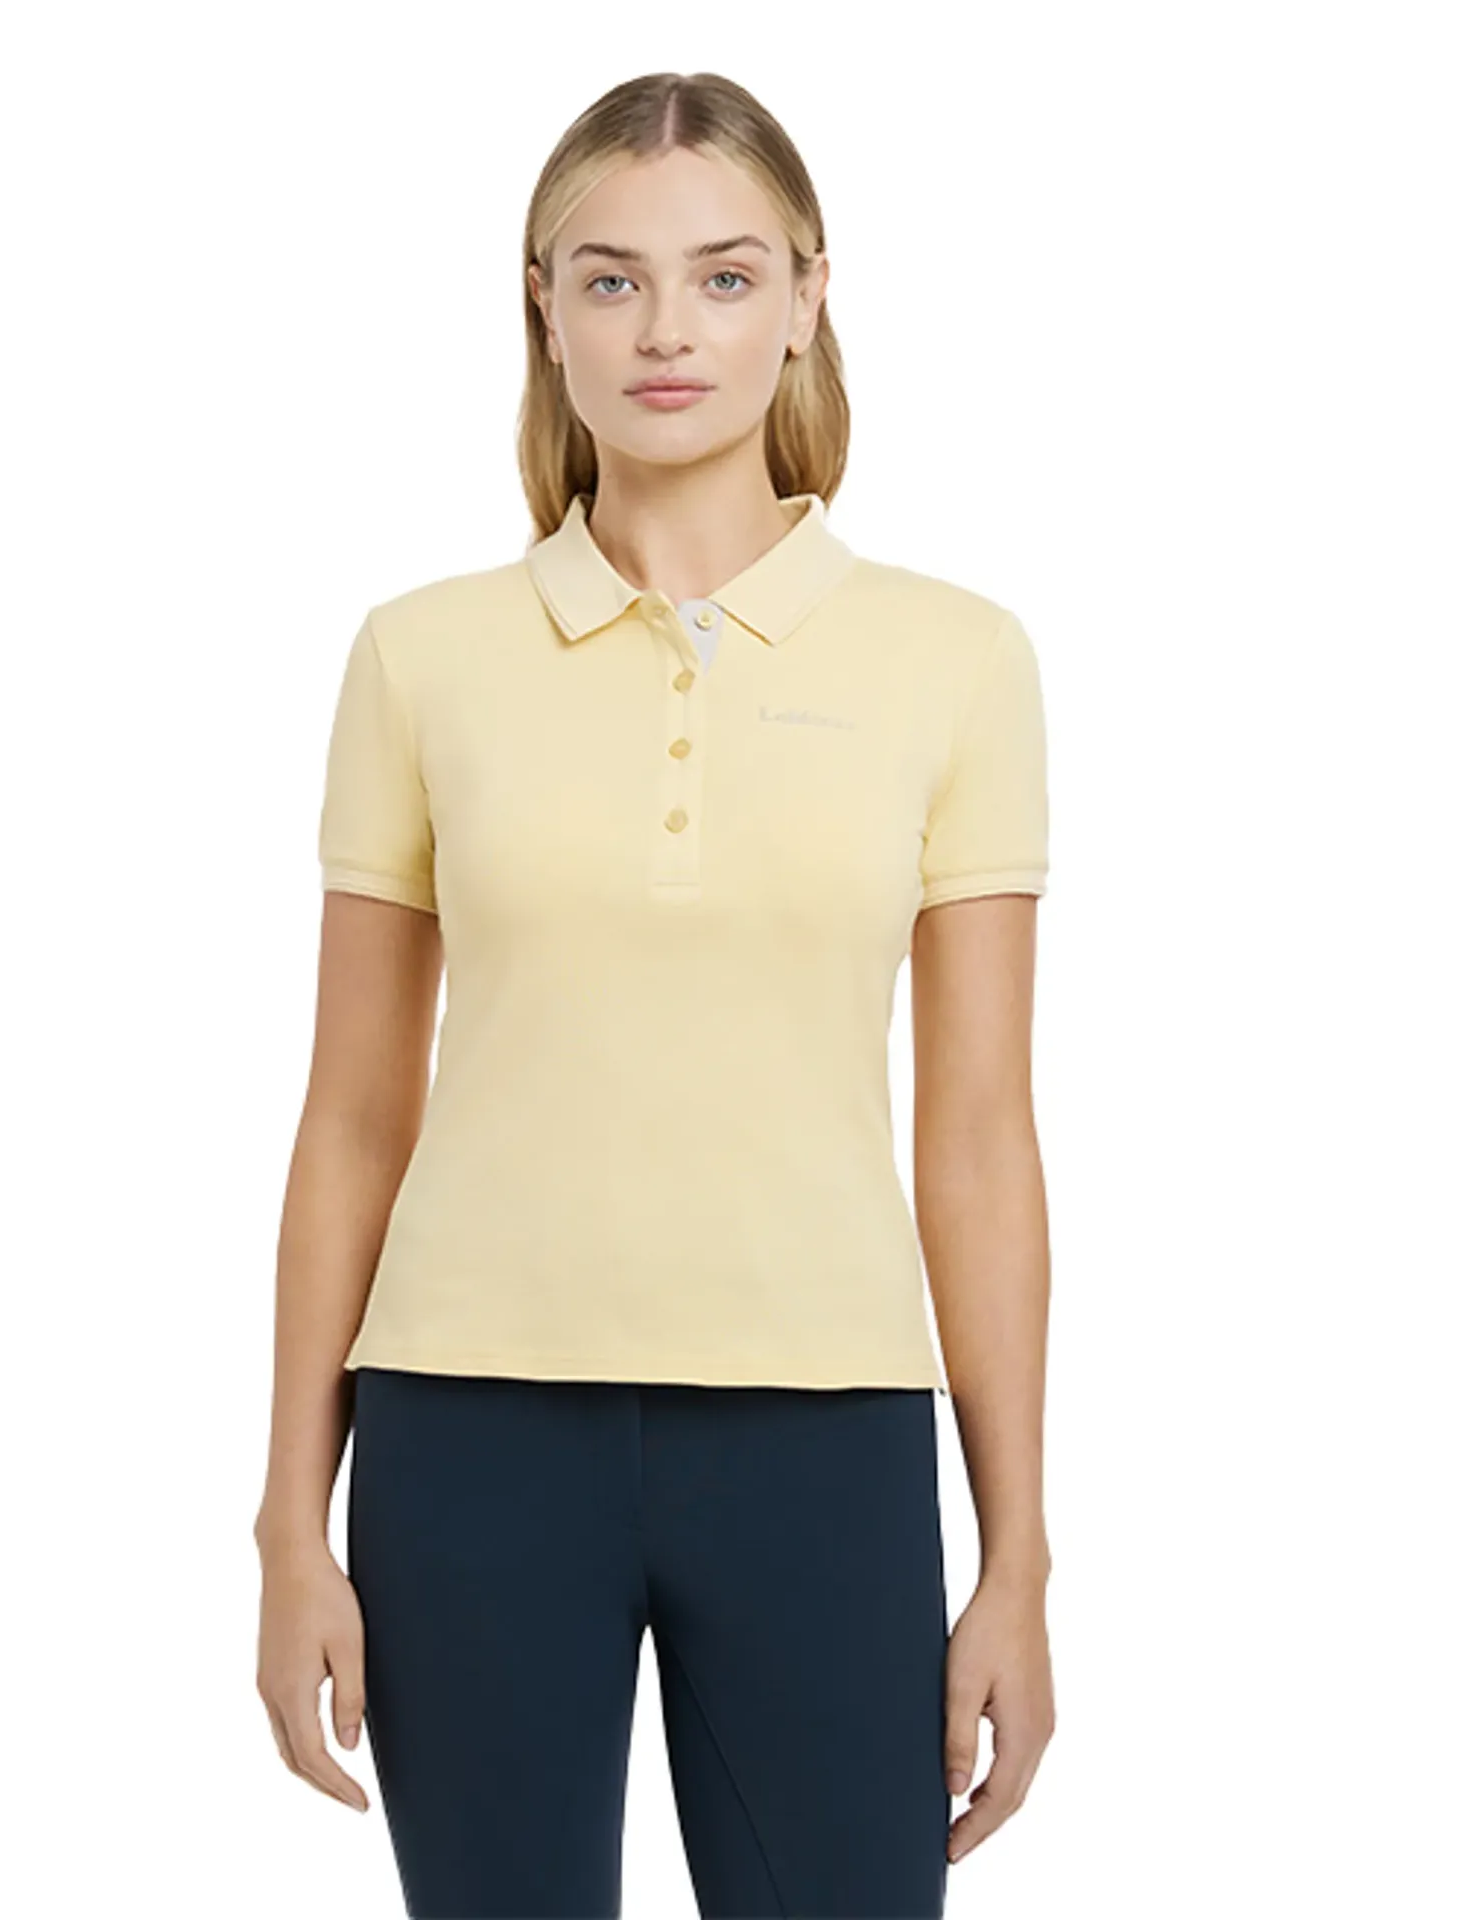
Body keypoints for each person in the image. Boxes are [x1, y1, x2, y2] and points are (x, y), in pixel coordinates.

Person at [255, 69, 1056, 1919]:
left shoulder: (956, 659)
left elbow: (981, 1137)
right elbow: (353, 1117)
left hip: (824, 1435)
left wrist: (1016, 1554)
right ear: (544, 307)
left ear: (809, 297)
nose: (666, 329)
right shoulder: (422, 657)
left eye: (724, 276)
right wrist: (291, 1517)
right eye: (611, 279)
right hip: (466, 1432)